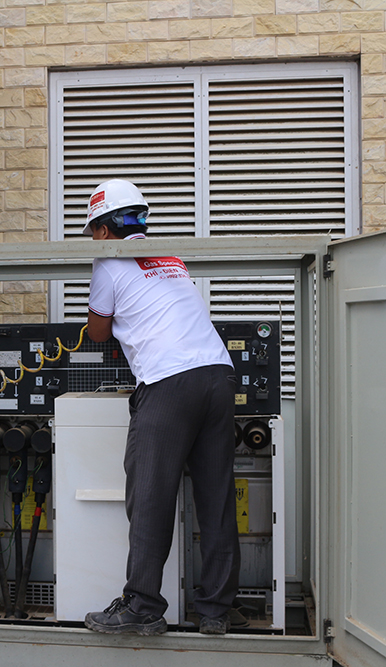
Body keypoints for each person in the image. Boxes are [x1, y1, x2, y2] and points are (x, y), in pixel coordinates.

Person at [81, 179, 240, 636]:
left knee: (150, 495)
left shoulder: (108, 262)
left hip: (169, 382)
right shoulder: (171, 257)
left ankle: (143, 606)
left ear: (106, 229)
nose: (95, 239)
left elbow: (97, 333)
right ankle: (214, 611)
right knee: (216, 497)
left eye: (95, 230)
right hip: (217, 374)